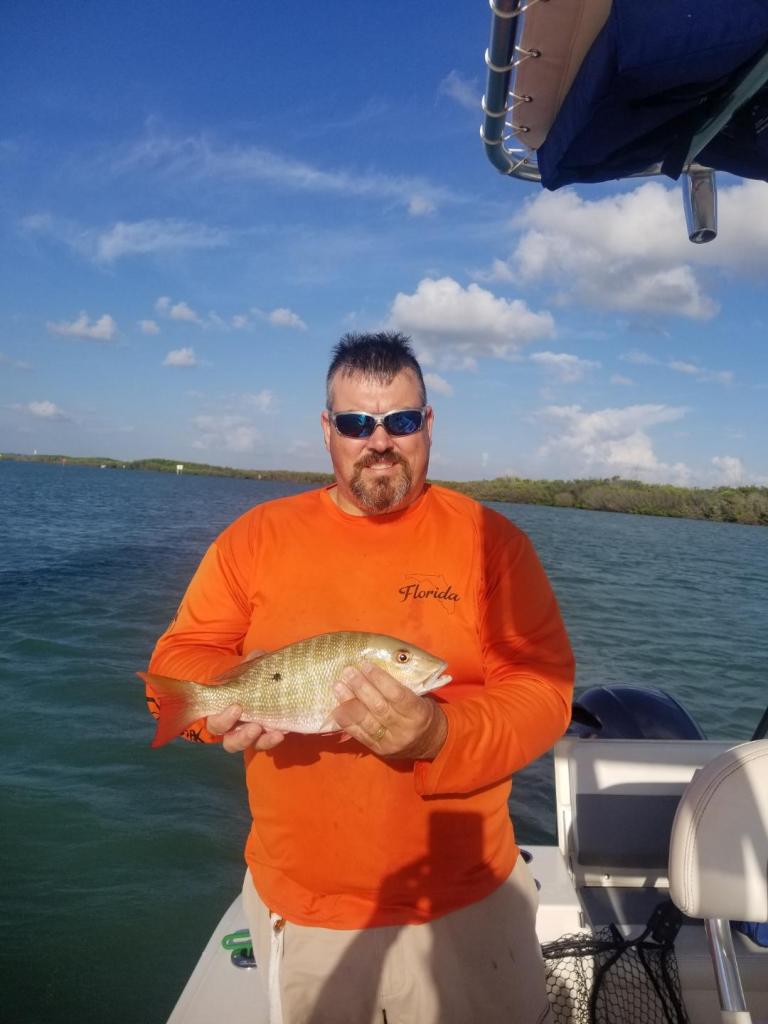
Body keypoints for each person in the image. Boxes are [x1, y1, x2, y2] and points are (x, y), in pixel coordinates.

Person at [145, 331, 574, 1024]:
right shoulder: (256, 537)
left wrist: (440, 734)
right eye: (355, 423)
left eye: (400, 421)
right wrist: (218, 706)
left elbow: (544, 692)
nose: (379, 442)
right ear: (327, 430)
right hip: (308, 912)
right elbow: (179, 660)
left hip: (468, 902)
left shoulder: (493, 543)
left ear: (428, 425)